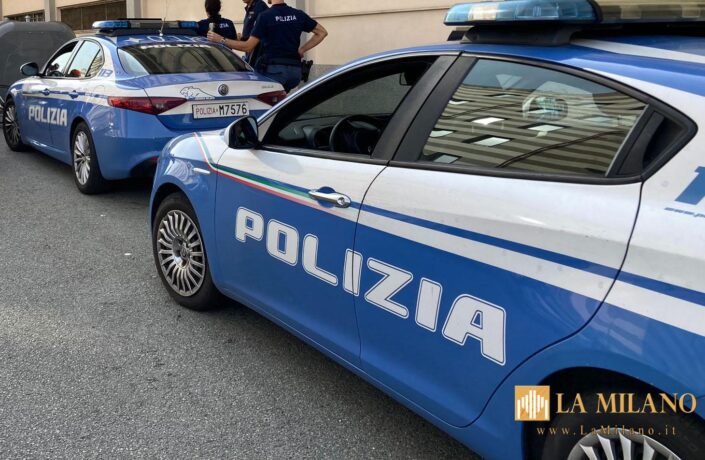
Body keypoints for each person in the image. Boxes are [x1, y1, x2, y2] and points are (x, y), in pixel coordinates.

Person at [208, 0, 328, 92]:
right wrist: (302, 50)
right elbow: (322, 33)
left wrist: (221, 40)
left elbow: (248, 47)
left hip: (273, 72)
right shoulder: (298, 14)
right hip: (295, 72)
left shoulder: (265, 16)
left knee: (267, 105)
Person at [239, 0, 269, 64]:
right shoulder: (249, 7)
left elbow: (262, 30)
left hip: (258, 52)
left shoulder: (259, 6)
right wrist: (242, 37)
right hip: (250, 50)